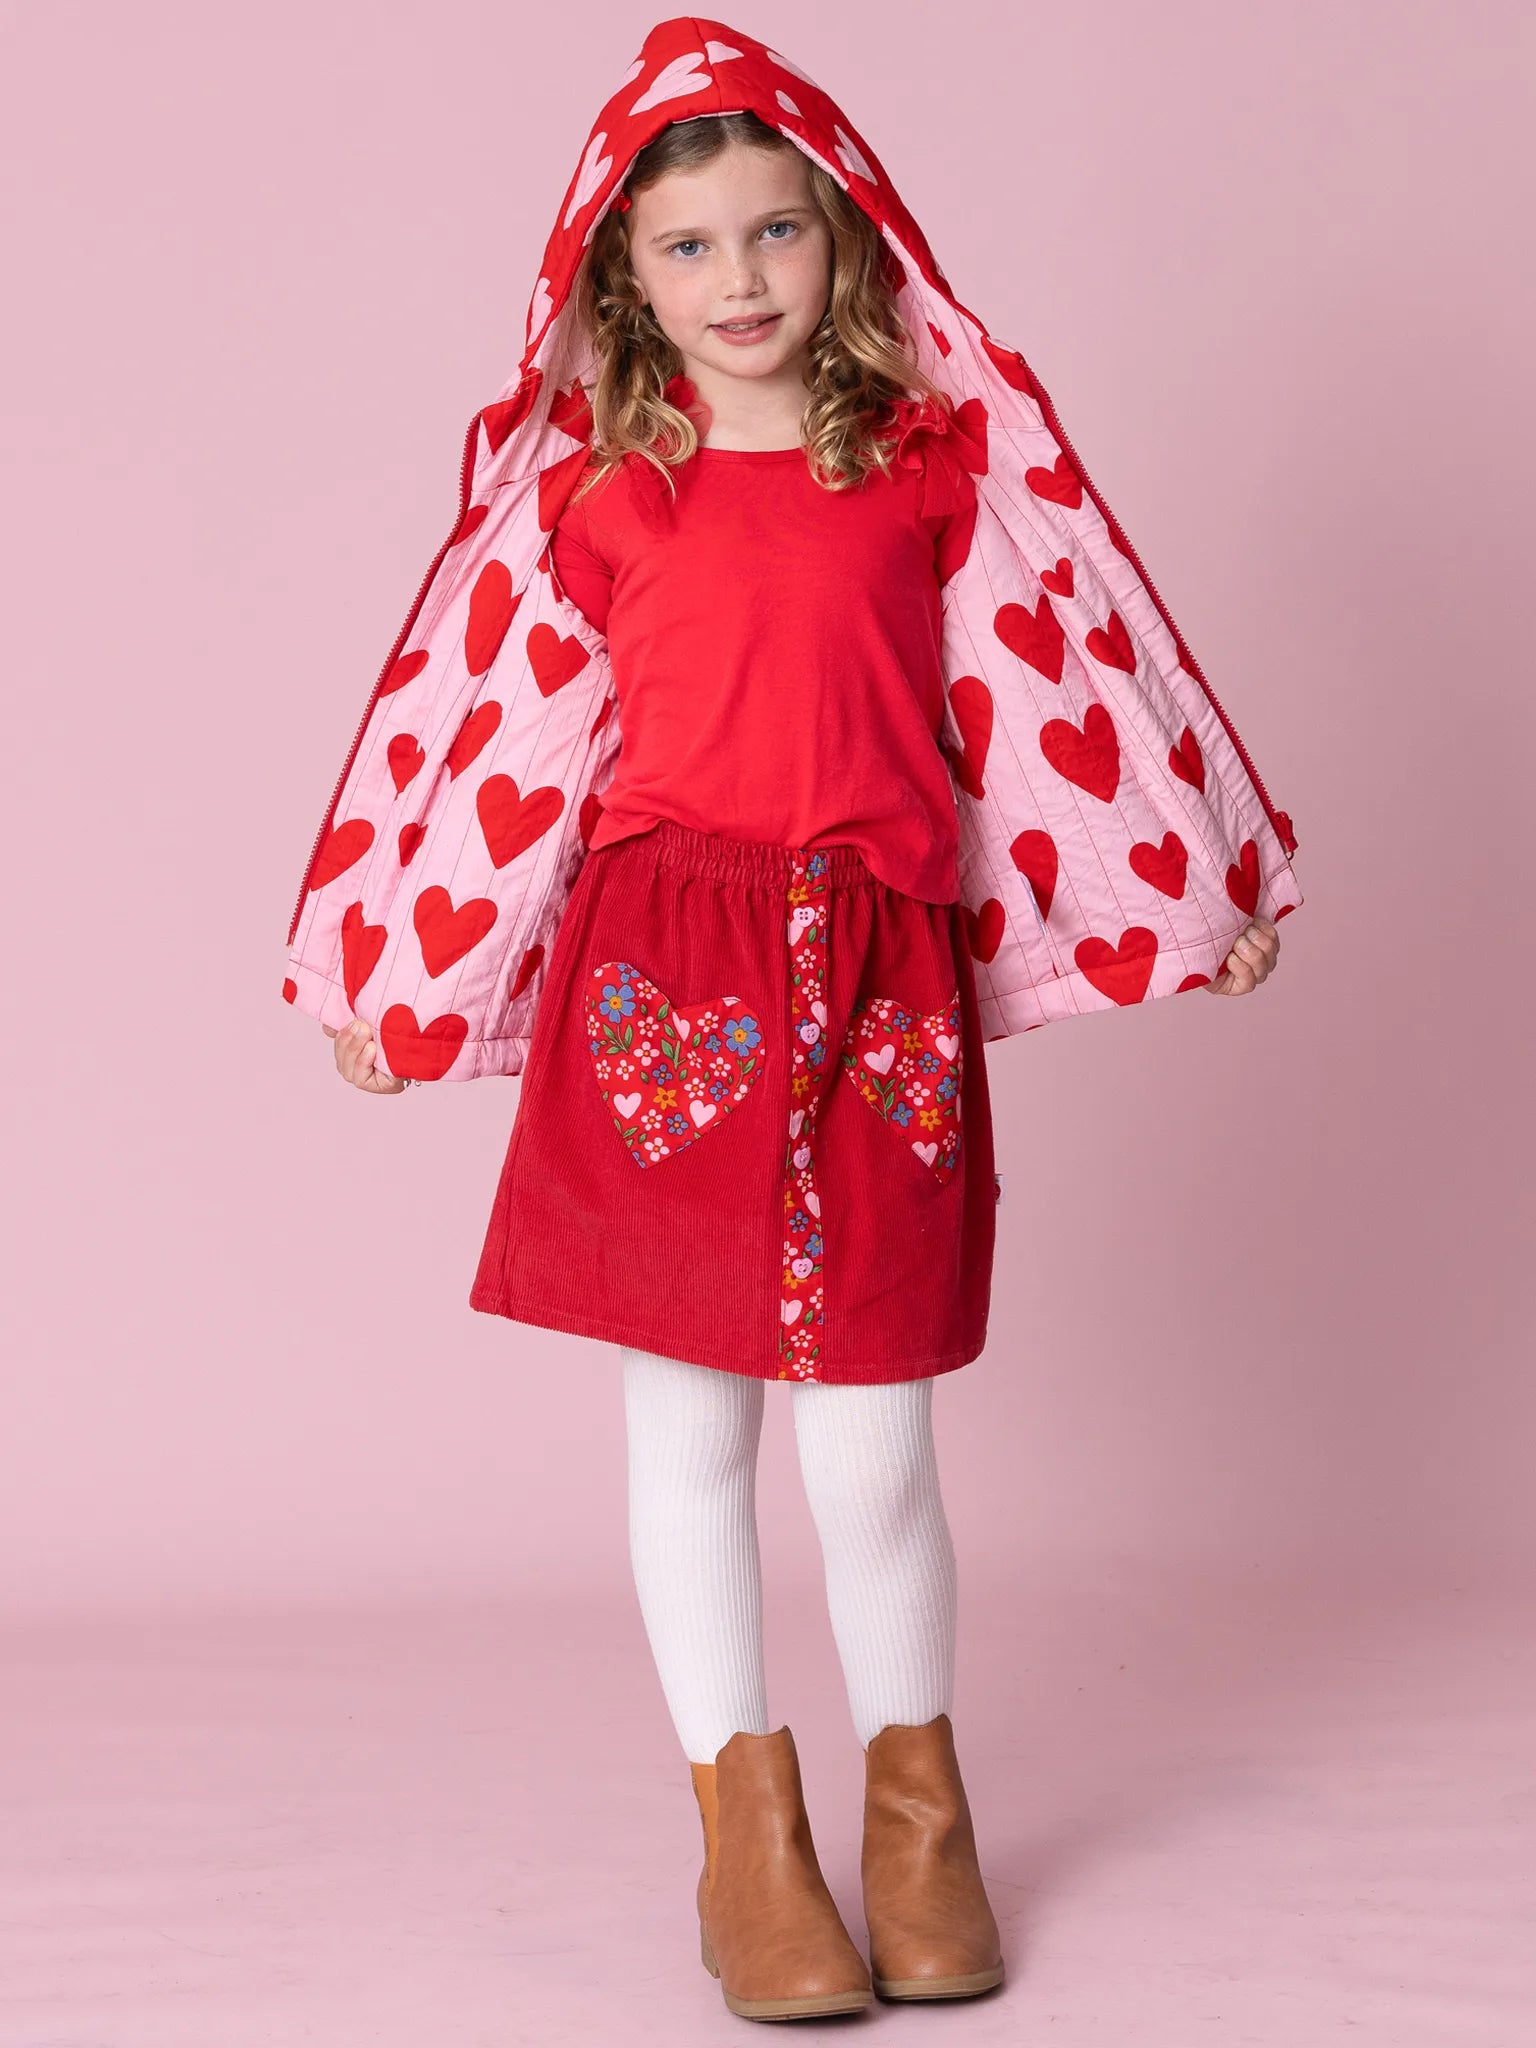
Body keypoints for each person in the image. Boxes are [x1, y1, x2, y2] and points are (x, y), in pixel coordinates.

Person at [286, 17, 1299, 2023]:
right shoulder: (596, 492)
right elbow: (488, 739)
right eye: (690, 249)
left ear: (841, 245)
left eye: (776, 235)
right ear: (619, 277)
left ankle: (920, 1821)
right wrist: (398, 981)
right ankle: (748, 1847)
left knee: (873, 1449)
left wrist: (1200, 877)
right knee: (692, 1430)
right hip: (671, 981)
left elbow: (1056, 688)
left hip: (880, 980)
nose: (742, 282)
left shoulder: (923, 468)